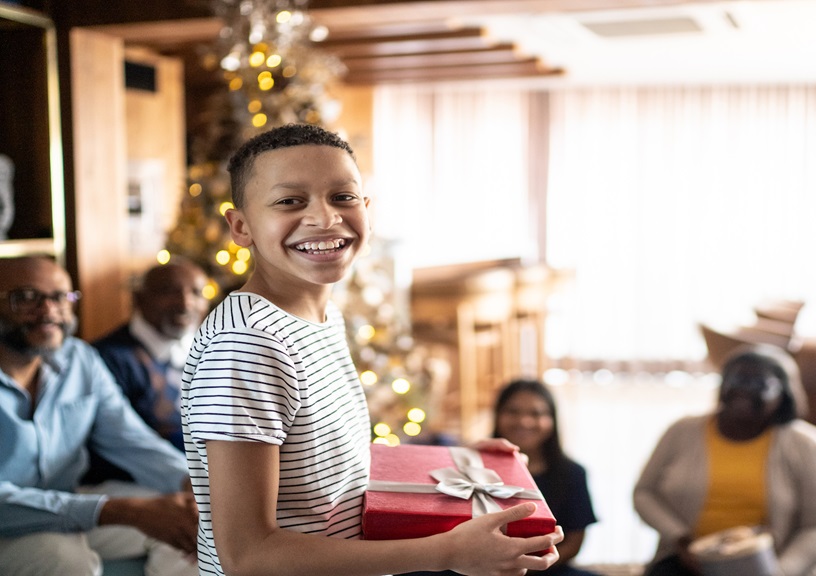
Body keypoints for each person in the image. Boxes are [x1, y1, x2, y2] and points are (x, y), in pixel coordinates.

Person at [179, 123, 562, 576]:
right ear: (241, 226)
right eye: (289, 201)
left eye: (342, 197)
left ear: (367, 210)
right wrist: (446, 552)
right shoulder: (248, 343)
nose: (324, 218)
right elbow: (247, 556)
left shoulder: (318, 316)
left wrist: (456, 461)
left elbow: (327, 470)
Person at [0, 255, 198, 576]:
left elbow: (130, 440)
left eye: (60, 297)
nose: (49, 310)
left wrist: (194, 482)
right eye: (26, 297)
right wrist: (117, 510)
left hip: (65, 502)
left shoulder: (81, 360)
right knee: (62, 557)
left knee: (190, 520)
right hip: (8, 522)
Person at [633, 344, 816, 576]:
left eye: (759, 384)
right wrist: (680, 538)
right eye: (736, 380)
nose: (743, 391)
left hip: (768, 566)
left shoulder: (808, 445)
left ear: (785, 392)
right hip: (686, 562)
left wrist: (780, 571)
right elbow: (644, 492)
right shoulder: (682, 431)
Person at [84, 258, 211, 485]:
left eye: (196, 293)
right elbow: (122, 441)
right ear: (139, 299)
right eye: (168, 291)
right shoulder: (106, 358)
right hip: (134, 485)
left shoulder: (209, 350)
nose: (185, 303)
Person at [493, 379, 599, 576]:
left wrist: (529, 566)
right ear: (498, 415)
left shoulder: (573, 473)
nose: (524, 421)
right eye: (513, 412)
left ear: (552, 420)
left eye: (536, 413)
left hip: (548, 568)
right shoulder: (473, 468)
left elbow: (574, 543)